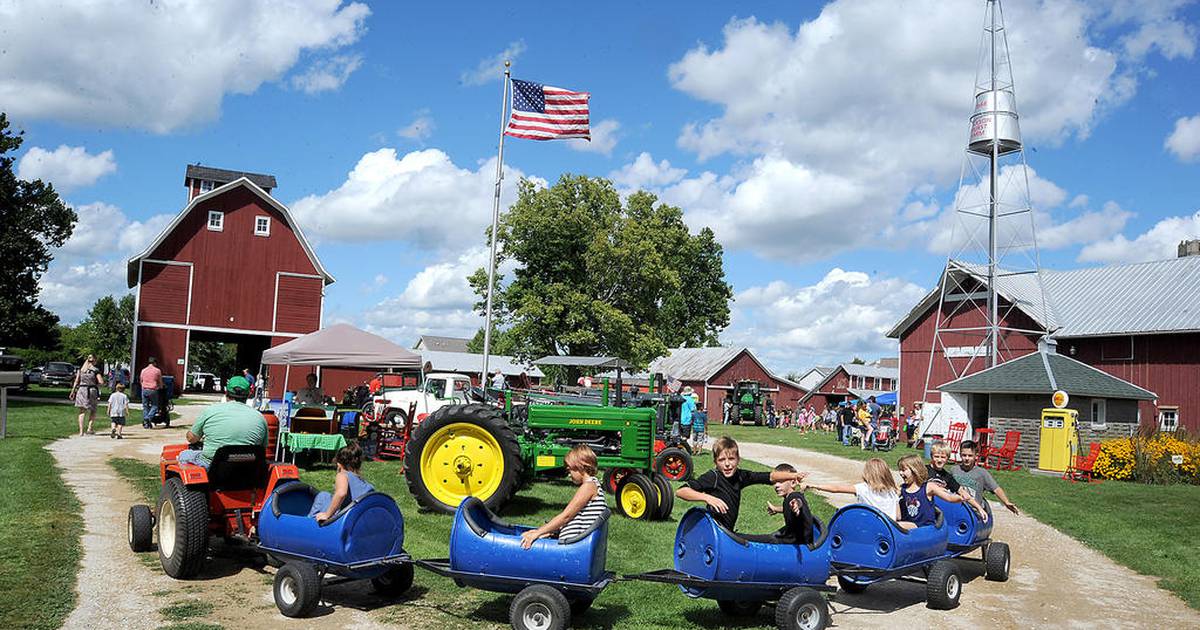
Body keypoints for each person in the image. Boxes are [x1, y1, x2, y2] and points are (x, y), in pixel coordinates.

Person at [676, 436, 808, 531]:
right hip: (714, 531)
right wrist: (708, 498)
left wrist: (793, 475)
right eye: (722, 460)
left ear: (738, 460)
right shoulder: (713, 477)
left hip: (728, 531)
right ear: (715, 462)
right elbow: (681, 491)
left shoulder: (741, 476)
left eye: (731, 459)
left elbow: (770, 476)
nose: (727, 464)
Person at [521, 445, 606, 548]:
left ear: (580, 467)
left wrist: (537, 533)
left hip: (572, 546)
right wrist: (548, 531)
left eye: (570, 470)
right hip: (573, 542)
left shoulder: (588, 487)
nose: (569, 474)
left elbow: (566, 516)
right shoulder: (593, 485)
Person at [177, 376, 268, 469]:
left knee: (184, 454)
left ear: (226, 392)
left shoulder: (211, 410)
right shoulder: (260, 417)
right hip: (247, 467)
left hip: (213, 466)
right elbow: (262, 448)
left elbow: (191, 438)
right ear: (249, 394)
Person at [897, 454, 985, 530]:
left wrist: (960, 498)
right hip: (909, 525)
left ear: (914, 470)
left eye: (903, 470)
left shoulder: (928, 487)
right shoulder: (902, 488)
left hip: (924, 527)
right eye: (899, 470)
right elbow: (891, 496)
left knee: (897, 526)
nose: (900, 473)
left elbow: (949, 497)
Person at [803, 457, 901, 521]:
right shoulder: (892, 491)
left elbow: (836, 489)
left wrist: (814, 486)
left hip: (871, 526)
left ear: (867, 473)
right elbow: (898, 516)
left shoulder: (863, 488)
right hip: (891, 528)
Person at [309, 443, 374, 521]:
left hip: (347, 517)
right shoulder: (365, 485)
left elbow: (341, 493)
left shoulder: (343, 475)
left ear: (339, 464)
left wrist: (327, 514)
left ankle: (309, 522)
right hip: (363, 516)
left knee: (323, 495)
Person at [954, 440, 1019, 515]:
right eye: (964, 455)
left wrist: (1006, 502)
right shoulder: (955, 470)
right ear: (960, 455)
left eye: (970, 455)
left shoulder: (982, 473)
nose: (967, 458)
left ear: (976, 456)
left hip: (974, 510)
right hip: (957, 508)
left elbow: (996, 489)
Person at [926, 440, 987, 518]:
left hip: (939, 510)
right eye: (936, 457)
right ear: (931, 456)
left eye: (943, 457)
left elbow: (962, 492)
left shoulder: (947, 476)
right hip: (925, 506)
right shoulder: (924, 470)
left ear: (947, 458)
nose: (940, 460)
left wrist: (979, 508)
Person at [764, 463, 816, 544]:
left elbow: (798, 501)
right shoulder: (789, 499)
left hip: (799, 544)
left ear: (793, 483)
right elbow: (788, 507)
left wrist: (797, 504)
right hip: (793, 540)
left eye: (780, 482)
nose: (776, 485)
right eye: (774, 482)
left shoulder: (794, 496)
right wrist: (775, 509)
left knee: (761, 540)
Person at [71, 354, 104, 436]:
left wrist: (73, 391)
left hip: (81, 390)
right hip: (91, 390)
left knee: (82, 411)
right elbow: (101, 382)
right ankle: (89, 428)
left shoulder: (81, 370)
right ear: (95, 361)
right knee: (93, 410)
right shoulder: (95, 370)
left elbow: (76, 381)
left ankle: (81, 431)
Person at [139, 357, 164, 429]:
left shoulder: (143, 370)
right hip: (153, 389)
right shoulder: (157, 371)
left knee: (145, 406)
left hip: (144, 389)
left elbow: (141, 380)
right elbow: (160, 381)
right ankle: (148, 418)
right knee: (155, 406)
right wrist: (161, 387)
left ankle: (146, 423)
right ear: (154, 363)